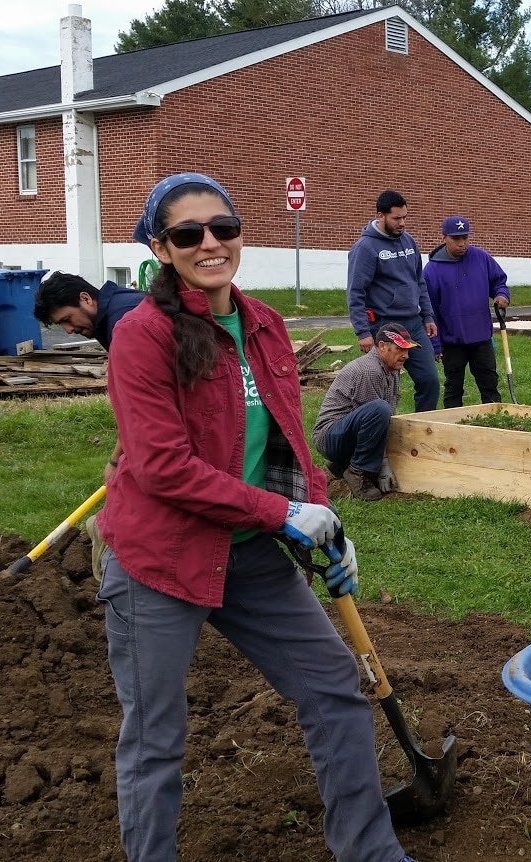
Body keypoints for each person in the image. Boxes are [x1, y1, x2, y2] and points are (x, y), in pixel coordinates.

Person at [96, 172, 415, 862]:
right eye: (189, 233)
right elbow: (162, 468)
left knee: (335, 690)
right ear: (162, 247)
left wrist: (323, 518)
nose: (210, 243)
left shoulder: (265, 325)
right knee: (156, 739)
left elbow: (289, 440)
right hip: (159, 559)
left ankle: (371, 853)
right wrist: (284, 512)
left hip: (249, 552)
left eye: (224, 228)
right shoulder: (142, 337)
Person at [33, 270, 148, 576]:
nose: (68, 331)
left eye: (67, 320)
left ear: (86, 298)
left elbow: (139, 408)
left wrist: (114, 459)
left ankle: (108, 531)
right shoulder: (117, 311)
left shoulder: (126, 321)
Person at [347, 190, 440, 412]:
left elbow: (419, 282)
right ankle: (380, 429)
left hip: (413, 324)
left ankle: (421, 431)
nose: (402, 223)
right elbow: (356, 292)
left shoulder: (409, 242)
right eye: (396, 218)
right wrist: (363, 332)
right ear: (381, 216)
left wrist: (427, 316)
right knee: (381, 387)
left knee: (430, 381)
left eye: (405, 217)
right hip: (385, 326)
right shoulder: (365, 248)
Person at [313, 321, 418, 501]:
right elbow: (376, 417)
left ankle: (343, 464)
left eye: (407, 350)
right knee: (379, 410)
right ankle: (358, 473)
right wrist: (383, 464)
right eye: (400, 349)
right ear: (383, 346)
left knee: (382, 411)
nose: (406, 355)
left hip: (343, 433)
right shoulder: (369, 371)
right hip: (328, 436)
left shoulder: (390, 369)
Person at [423, 215, 511, 407]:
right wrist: (435, 345)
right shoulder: (432, 271)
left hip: (481, 338)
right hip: (452, 342)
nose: (461, 244)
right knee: (453, 387)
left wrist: (502, 295)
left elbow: (499, 282)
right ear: (444, 238)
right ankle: (452, 426)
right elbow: (429, 311)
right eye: (456, 239)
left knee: (489, 384)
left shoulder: (482, 258)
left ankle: (494, 422)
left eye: (465, 238)